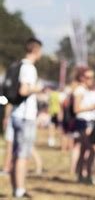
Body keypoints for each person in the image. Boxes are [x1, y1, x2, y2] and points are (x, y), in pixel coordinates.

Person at [9, 38, 43, 198]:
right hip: (25, 117)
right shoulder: (29, 68)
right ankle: (20, 190)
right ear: (36, 50)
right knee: (23, 155)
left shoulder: (18, 65)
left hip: (17, 114)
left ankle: (16, 187)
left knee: (16, 153)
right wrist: (36, 88)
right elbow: (23, 90)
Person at [71, 66, 95, 183]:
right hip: (84, 122)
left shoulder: (86, 90)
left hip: (89, 122)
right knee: (90, 149)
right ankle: (86, 174)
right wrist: (91, 107)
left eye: (92, 77)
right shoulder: (79, 90)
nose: (90, 80)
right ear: (82, 78)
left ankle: (82, 174)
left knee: (85, 150)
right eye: (88, 77)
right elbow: (76, 109)